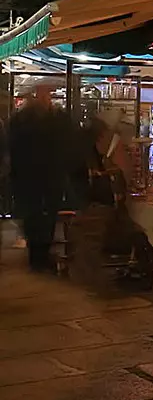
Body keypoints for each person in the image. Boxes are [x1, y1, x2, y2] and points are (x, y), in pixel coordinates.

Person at [9, 99, 69, 271]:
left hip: (28, 180)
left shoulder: (20, 126)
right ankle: (40, 255)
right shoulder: (51, 128)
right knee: (45, 218)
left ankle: (36, 255)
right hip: (47, 179)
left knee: (32, 217)